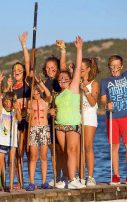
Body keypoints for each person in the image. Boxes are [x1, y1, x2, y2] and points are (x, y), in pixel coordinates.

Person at [100, 35, 127, 185]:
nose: (115, 68)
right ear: (109, 67)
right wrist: (106, 106)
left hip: (126, 117)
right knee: (114, 146)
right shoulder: (105, 82)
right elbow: (103, 100)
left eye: (117, 65)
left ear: (121, 66)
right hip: (112, 118)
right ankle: (116, 175)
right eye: (112, 66)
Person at [50, 36, 86, 189]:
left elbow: (77, 68)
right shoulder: (57, 95)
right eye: (60, 80)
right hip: (60, 126)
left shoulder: (73, 88)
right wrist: (51, 111)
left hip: (72, 125)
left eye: (65, 79)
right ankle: (67, 178)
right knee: (64, 153)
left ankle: (73, 180)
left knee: (72, 151)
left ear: (70, 80)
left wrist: (79, 49)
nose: (62, 81)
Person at [0, 72, 22, 193]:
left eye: (10, 102)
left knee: (11, 163)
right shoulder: (1, 112)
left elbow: (20, 118)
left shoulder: (14, 111)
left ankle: (11, 186)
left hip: (12, 142)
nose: (8, 104)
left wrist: (17, 107)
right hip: (1, 141)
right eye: (6, 102)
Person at [41, 40, 68, 186]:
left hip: (62, 119)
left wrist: (62, 50)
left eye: (53, 67)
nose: (50, 69)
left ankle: (66, 176)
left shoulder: (60, 81)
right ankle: (57, 176)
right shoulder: (45, 83)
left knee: (63, 149)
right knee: (53, 150)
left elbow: (63, 66)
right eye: (48, 68)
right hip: (49, 120)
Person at [6, 32, 31, 189]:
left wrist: (23, 45)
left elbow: (28, 62)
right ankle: (19, 182)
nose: (16, 71)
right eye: (14, 70)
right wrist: (7, 88)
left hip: (26, 120)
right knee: (16, 152)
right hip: (14, 121)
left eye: (19, 69)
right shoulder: (11, 87)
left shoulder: (27, 83)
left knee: (26, 152)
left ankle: (27, 181)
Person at [26, 76, 52, 191]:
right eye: (33, 92)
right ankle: (31, 182)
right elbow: (27, 120)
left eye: (37, 92)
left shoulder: (45, 101)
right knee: (33, 157)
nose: (35, 94)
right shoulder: (29, 102)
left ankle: (44, 182)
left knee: (43, 156)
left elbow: (49, 94)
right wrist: (28, 114)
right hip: (33, 129)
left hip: (44, 129)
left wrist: (41, 83)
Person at [79, 57, 100, 186]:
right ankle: (80, 176)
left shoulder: (94, 83)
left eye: (82, 69)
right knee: (77, 149)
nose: (80, 71)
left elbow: (93, 102)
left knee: (87, 146)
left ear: (88, 69)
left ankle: (90, 176)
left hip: (89, 116)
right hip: (77, 117)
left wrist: (85, 88)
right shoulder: (75, 82)